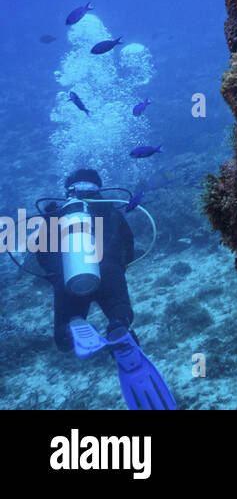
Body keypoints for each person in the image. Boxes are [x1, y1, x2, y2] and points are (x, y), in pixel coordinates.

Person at [37, 168, 177, 410]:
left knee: (64, 340)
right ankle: (118, 327)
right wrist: (117, 269)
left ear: (68, 190)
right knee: (119, 310)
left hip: (69, 277)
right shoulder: (110, 209)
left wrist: (58, 278)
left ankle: (74, 322)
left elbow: (41, 254)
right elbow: (129, 246)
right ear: (98, 188)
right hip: (109, 270)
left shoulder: (55, 215)